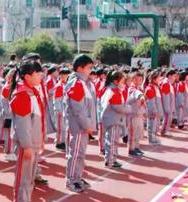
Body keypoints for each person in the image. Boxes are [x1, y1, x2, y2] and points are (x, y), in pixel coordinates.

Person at [10, 59, 45, 202]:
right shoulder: (23, 94)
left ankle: (27, 201)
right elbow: (22, 124)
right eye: (37, 73)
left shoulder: (32, 92)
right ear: (27, 76)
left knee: (30, 175)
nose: (41, 76)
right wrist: (27, 145)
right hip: (27, 143)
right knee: (23, 174)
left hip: (34, 141)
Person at [64, 54, 95, 193]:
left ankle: (77, 177)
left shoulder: (84, 82)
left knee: (80, 153)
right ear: (80, 68)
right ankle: (71, 180)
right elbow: (78, 108)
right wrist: (87, 124)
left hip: (82, 125)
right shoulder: (76, 83)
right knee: (75, 153)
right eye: (89, 68)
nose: (90, 71)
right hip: (78, 125)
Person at [100, 71, 131, 168]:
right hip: (112, 120)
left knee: (110, 140)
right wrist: (129, 108)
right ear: (116, 81)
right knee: (112, 141)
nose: (124, 83)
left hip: (111, 119)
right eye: (122, 81)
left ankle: (110, 159)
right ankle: (110, 161)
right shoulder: (114, 91)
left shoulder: (111, 90)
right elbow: (119, 107)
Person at [127, 71, 146, 156]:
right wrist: (141, 96)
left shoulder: (139, 88)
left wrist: (144, 112)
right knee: (132, 132)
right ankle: (131, 148)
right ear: (133, 79)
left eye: (140, 79)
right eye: (137, 79)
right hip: (133, 114)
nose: (139, 81)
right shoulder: (132, 89)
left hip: (139, 114)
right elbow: (137, 94)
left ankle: (136, 147)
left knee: (138, 132)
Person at [54, 67, 70, 150]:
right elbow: (57, 100)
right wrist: (59, 110)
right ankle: (59, 142)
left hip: (66, 109)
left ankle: (63, 141)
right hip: (60, 110)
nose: (66, 76)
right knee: (60, 127)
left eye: (67, 74)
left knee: (64, 127)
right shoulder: (59, 86)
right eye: (64, 74)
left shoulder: (67, 84)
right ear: (61, 75)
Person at [144, 70, 162, 145]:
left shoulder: (156, 87)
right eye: (158, 78)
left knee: (155, 125)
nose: (160, 79)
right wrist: (154, 111)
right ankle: (151, 139)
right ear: (154, 79)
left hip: (156, 110)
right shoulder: (150, 88)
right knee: (151, 124)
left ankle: (153, 137)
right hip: (152, 111)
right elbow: (151, 103)